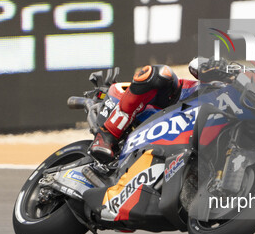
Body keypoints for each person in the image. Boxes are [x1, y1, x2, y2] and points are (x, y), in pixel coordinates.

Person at [89, 57, 232, 163]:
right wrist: (220, 67)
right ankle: (107, 134)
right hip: (175, 103)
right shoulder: (236, 76)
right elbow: (196, 64)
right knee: (160, 73)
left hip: (192, 140)